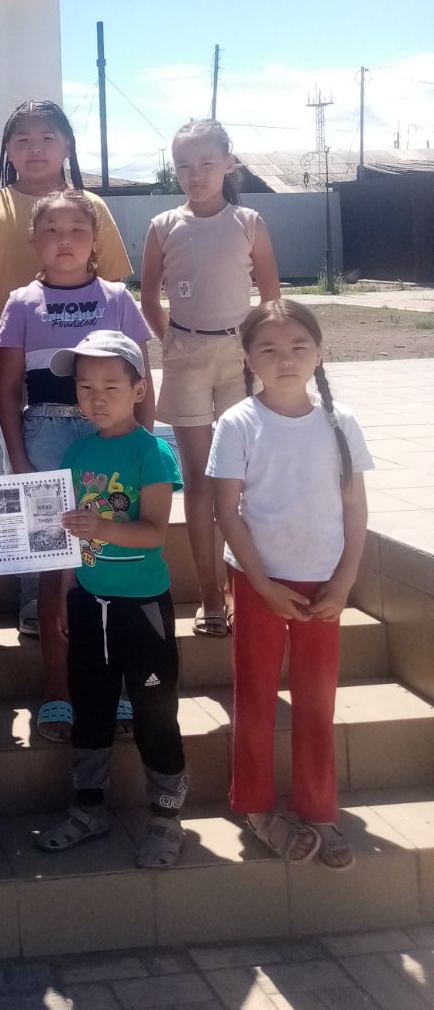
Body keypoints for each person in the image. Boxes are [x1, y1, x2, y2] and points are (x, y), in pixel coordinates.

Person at [209, 300, 371, 869]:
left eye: (299, 347)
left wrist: (344, 581)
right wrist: (261, 584)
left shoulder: (340, 422)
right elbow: (227, 511)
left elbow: (355, 508)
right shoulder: (238, 422)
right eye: (270, 350)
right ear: (248, 358)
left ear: (319, 353)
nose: (285, 360)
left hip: (324, 583)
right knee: (255, 699)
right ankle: (255, 807)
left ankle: (319, 808)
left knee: (317, 701)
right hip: (259, 582)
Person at [0, 191, 154, 743]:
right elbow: (8, 389)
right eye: (52, 230)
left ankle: (123, 688)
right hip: (46, 436)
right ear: (34, 240)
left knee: (116, 560)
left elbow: (142, 381)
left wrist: (143, 448)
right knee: (57, 569)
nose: (64, 240)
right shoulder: (20, 302)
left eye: (77, 230)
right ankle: (58, 693)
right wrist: (19, 461)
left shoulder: (118, 297)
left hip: (113, 437)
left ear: (95, 239)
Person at [0, 100, 131, 637]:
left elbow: (116, 292)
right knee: (25, 487)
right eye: (22, 139)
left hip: (96, 387)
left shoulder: (92, 207)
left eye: (47, 138)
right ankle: (35, 601)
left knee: (96, 491)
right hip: (15, 376)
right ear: (7, 151)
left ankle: (93, 593)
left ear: (67, 146)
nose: (35, 148)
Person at [34, 332, 188, 869]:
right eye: (84, 386)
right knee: (92, 710)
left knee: (155, 715)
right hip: (88, 602)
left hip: (142, 609)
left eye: (110, 386)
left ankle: (166, 818)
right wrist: (64, 594)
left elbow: (154, 532)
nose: (96, 397)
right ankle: (88, 809)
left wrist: (99, 526)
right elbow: (68, 536)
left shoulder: (152, 451)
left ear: (139, 390)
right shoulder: (78, 451)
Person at [140, 120, 281, 637]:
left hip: (240, 358)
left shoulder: (249, 222)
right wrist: (174, 341)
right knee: (198, 480)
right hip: (187, 357)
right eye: (184, 165)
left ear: (228, 163)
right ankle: (209, 593)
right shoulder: (162, 225)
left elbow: (272, 300)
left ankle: (251, 585)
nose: (195, 175)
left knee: (243, 478)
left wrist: (259, 353)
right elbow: (148, 296)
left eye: (206, 163)